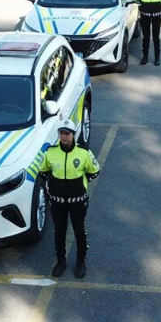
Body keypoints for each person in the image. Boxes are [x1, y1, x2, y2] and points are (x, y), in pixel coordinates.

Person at [39, 120, 100, 279]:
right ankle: (61, 261)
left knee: (80, 231)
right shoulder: (51, 153)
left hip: (78, 202)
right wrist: (53, 185)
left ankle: (80, 262)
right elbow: (43, 171)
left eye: (67, 133)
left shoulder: (84, 153)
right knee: (59, 231)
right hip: (57, 202)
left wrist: (79, 185)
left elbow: (94, 171)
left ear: (73, 134)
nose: (64, 137)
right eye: (62, 133)